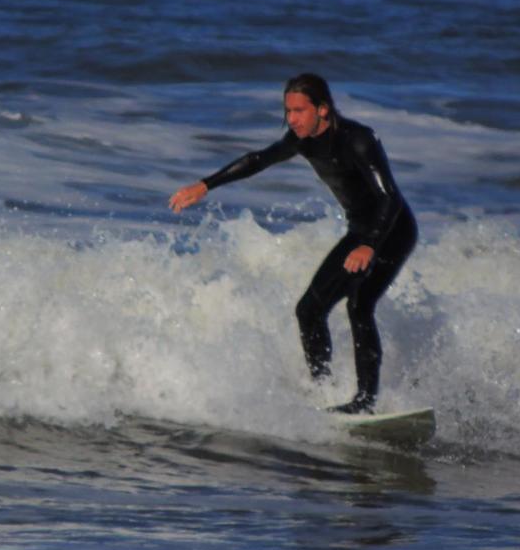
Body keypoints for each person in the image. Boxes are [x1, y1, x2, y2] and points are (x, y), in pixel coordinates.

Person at [168, 74, 416, 415]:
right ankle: (323, 391)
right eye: (288, 111)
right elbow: (258, 159)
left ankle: (365, 402)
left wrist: (370, 245)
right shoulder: (302, 140)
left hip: (392, 231)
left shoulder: (358, 140)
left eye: (299, 110)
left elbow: (390, 199)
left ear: (323, 110)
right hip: (360, 233)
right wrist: (206, 185)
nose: (292, 119)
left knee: (360, 304)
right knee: (309, 311)